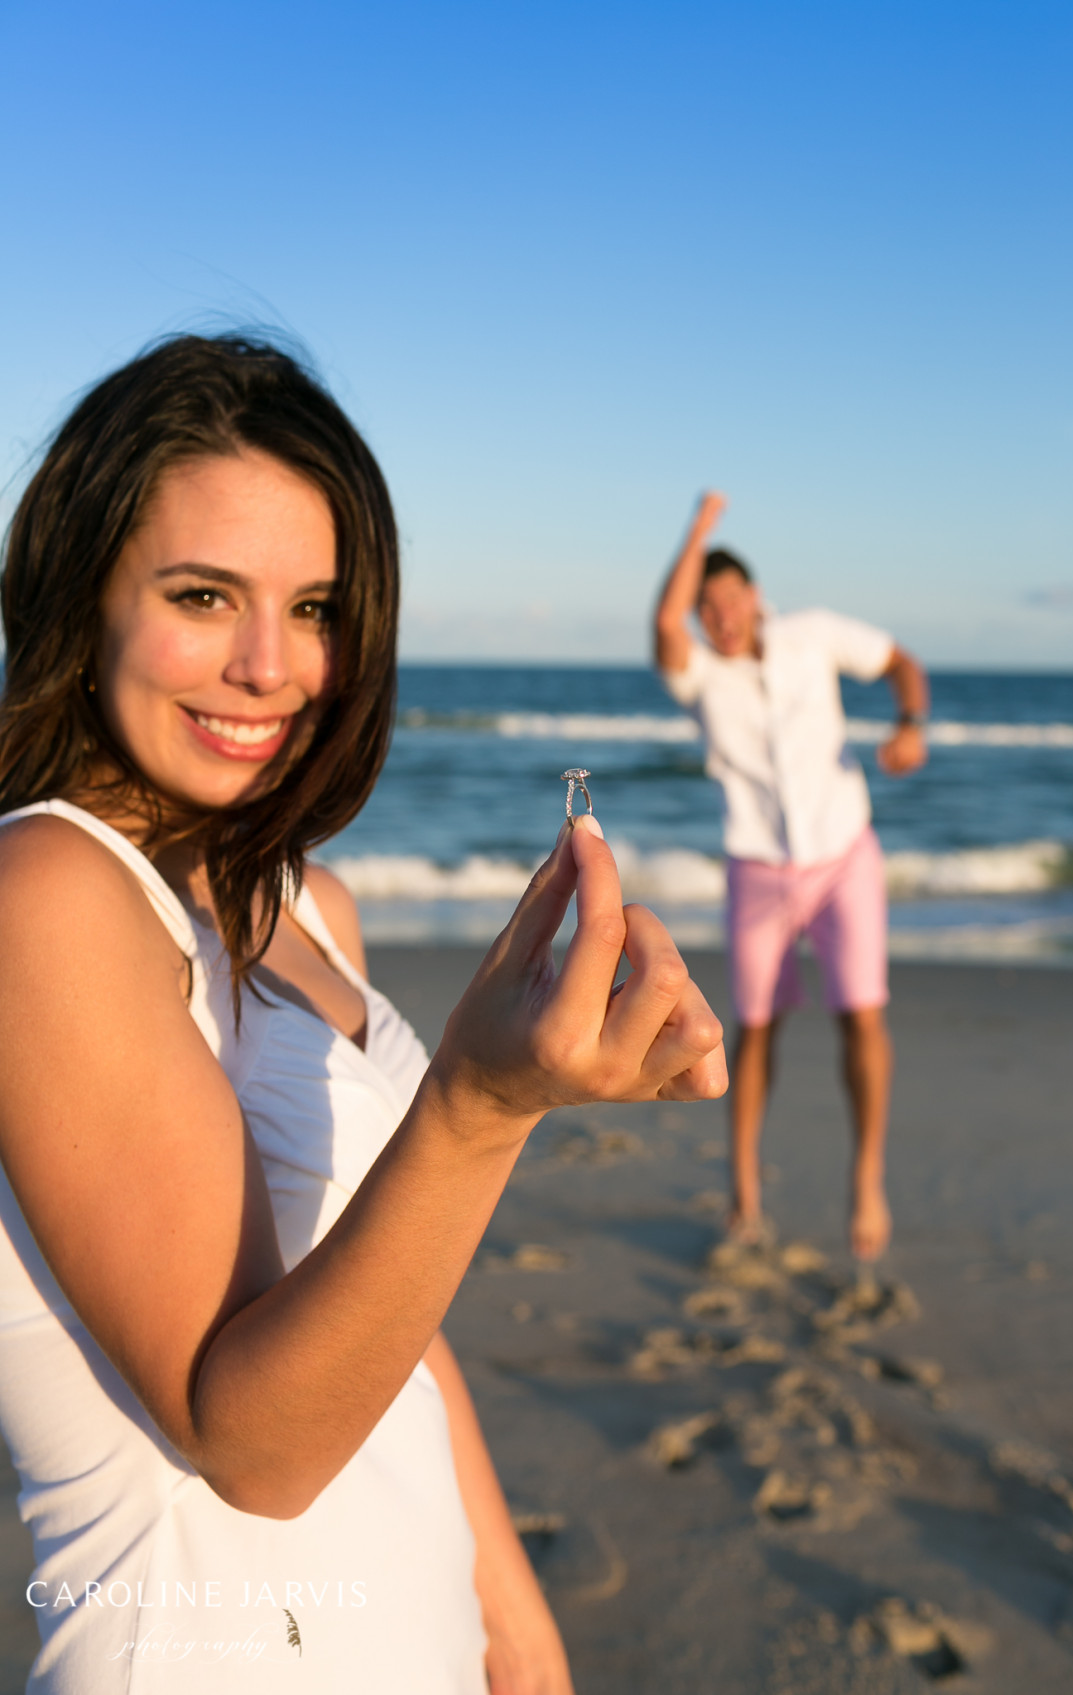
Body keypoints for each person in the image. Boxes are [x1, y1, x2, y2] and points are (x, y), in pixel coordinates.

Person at [0, 335, 727, 1694]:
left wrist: (516, 1630)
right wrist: (481, 1100)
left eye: (318, 607)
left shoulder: (306, 903)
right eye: (204, 594)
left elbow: (388, 1303)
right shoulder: (43, 890)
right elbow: (254, 1446)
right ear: (77, 591)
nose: (270, 665)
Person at [653, 492, 928, 1261]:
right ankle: (745, 1191)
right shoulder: (700, 676)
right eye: (706, 606)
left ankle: (867, 1177)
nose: (720, 616)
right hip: (759, 870)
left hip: (845, 855)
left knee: (861, 1015)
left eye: (728, 598)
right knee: (756, 1027)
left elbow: (903, 663)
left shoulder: (814, 635)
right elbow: (663, 629)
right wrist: (699, 531)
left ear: (753, 594)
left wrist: (910, 726)